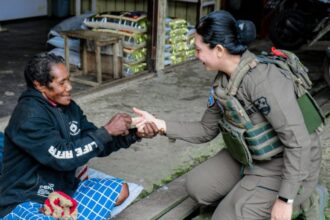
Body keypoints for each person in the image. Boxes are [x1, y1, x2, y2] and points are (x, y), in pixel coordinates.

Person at [132, 10, 325, 220]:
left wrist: (285, 199)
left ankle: (308, 196)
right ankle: (248, 190)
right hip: (248, 156)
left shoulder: (265, 80)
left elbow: (299, 144)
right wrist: (159, 124)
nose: (196, 56)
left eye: (198, 49)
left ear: (219, 50)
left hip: (286, 162)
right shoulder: (223, 83)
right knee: (198, 187)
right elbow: (206, 129)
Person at [0, 53, 158, 219]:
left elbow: (94, 145)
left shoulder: (69, 108)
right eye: (62, 83)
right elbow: (62, 157)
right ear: (39, 85)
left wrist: (134, 134)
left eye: (68, 80)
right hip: (27, 196)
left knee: (120, 191)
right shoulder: (28, 115)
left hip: (61, 188)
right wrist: (106, 131)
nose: (69, 87)